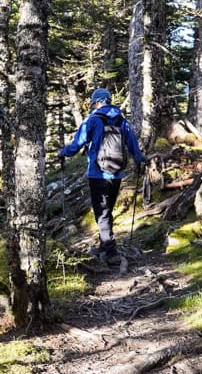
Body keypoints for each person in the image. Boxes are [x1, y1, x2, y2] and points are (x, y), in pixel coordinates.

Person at [58, 88, 146, 262]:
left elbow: (77, 144)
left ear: (98, 102)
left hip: (97, 174)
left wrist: (63, 153)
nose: (93, 106)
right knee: (107, 211)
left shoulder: (92, 119)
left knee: (102, 212)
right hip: (117, 174)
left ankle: (111, 252)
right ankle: (104, 245)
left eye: (94, 103)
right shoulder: (122, 121)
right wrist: (140, 159)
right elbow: (133, 146)